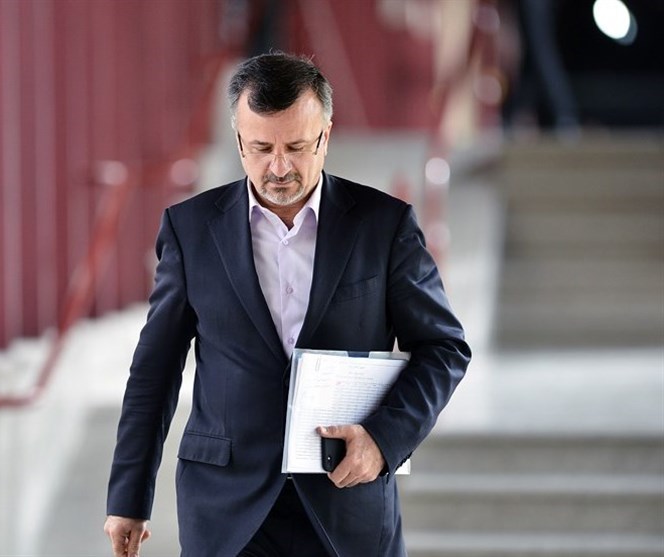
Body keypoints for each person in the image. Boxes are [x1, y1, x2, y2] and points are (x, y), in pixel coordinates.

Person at [104, 52, 470, 557]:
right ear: (239, 142)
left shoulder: (384, 227)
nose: (278, 167)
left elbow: (444, 349)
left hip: (346, 503)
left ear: (325, 136)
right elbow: (155, 371)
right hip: (226, 510)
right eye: (261, 148)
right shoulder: (190, 231)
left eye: (296, 147)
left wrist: (384, 439)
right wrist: (128, 497)